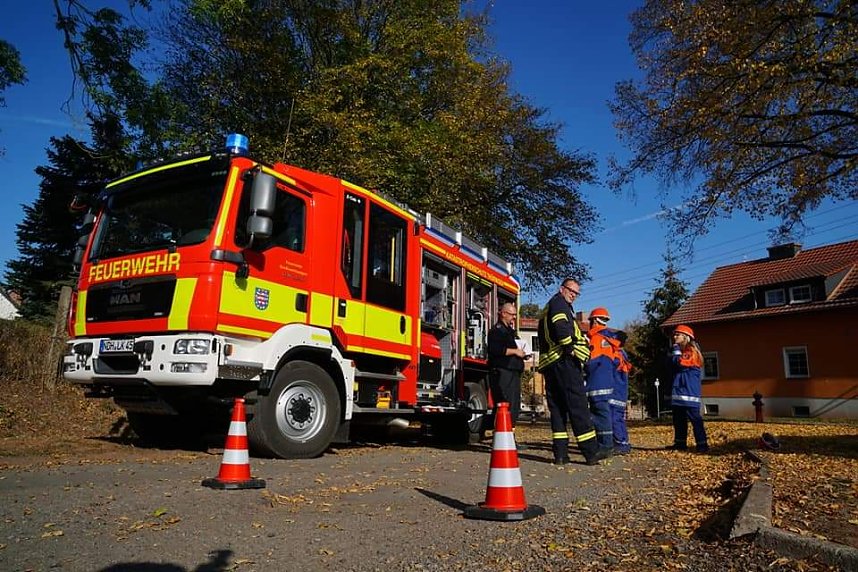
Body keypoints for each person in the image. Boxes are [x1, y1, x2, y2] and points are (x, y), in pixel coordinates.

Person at [537, 279, 612, 466]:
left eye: (576, 293)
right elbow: (561, 327)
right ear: (561, 289)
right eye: (571, 290)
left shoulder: (550, 305)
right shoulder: (560, 304)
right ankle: (591, 452)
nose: (573, 295)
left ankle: (560, 453)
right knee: (578, 405)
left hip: (550, 364)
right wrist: (571, 348)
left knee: (558, 409)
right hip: (564, 361)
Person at [666, 324, 709, 453]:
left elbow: (680, 364)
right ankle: (680, 443)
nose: (674, 337)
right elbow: (671, 365)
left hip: (689, 391)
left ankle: (702, 445)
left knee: (695, 419)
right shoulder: (681, 351)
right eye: (674, 334)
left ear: (686, 337)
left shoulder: (691, 351)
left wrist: (675, 352)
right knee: (678, 419)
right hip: (680, 391)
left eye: (677, 334)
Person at [487, 302, 526, 428]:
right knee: (506, 403)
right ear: (503, 314)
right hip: (503, 371)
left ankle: (510, 436)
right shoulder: (496, 331)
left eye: (515, 315)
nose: (514, 318)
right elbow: (495, 350)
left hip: (513, 371)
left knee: (514, 405)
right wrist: (515, 351)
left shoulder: (510, 331)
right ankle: (504, 435)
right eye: (512, 315)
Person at [585, 307, 618, 450]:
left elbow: (592, 361)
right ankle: (605, 443)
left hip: (597, 382)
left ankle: (605, 445)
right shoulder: (609, 338)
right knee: (603, 413)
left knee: (600, 414)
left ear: (593, 320)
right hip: (606, 380)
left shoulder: (597, 338)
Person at [608, 330, 632, 454]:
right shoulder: (623, 354)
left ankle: (620, 443)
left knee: (614, 418)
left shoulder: (616, 354)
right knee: (618, 418)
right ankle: (623, 442)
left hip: (616, 391)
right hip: (620, 391)